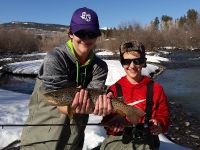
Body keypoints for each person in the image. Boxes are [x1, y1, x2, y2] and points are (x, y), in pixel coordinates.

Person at [20, 7, 112, 150]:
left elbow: (93, 98)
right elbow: (58, 103)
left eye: (92, 33)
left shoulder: (100, 67)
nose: (86, 39)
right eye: (81, 33)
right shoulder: (55, 58)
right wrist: (82, 105)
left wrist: (103, 107)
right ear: (70, 33)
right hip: (41, 137)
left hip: (74, 138)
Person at [100, 40, 170, 150]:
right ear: (122, 63)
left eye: (137, 61)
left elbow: (164, 116)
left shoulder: (156, 89)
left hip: (146, 140)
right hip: (118, 139)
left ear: (144, 62)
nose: (132, 66)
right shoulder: (113, 89)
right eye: (126, 62)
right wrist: (112, 126)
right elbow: (106, 120)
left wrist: (159, 125)